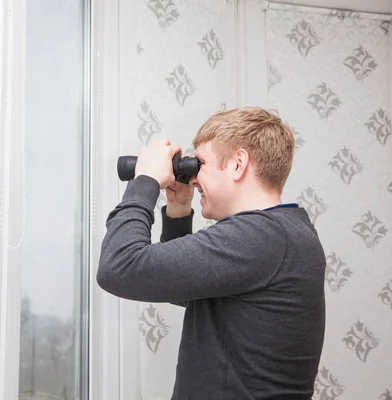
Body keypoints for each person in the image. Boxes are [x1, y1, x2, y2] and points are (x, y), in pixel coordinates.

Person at [97, 106, 326, 400]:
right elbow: (183, 288)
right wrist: (178, 211)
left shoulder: (260, 235)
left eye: (199, 163)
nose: (192, 178)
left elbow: (118, 267)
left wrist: (146, 180)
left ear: (237, 164)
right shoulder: (285, 231)